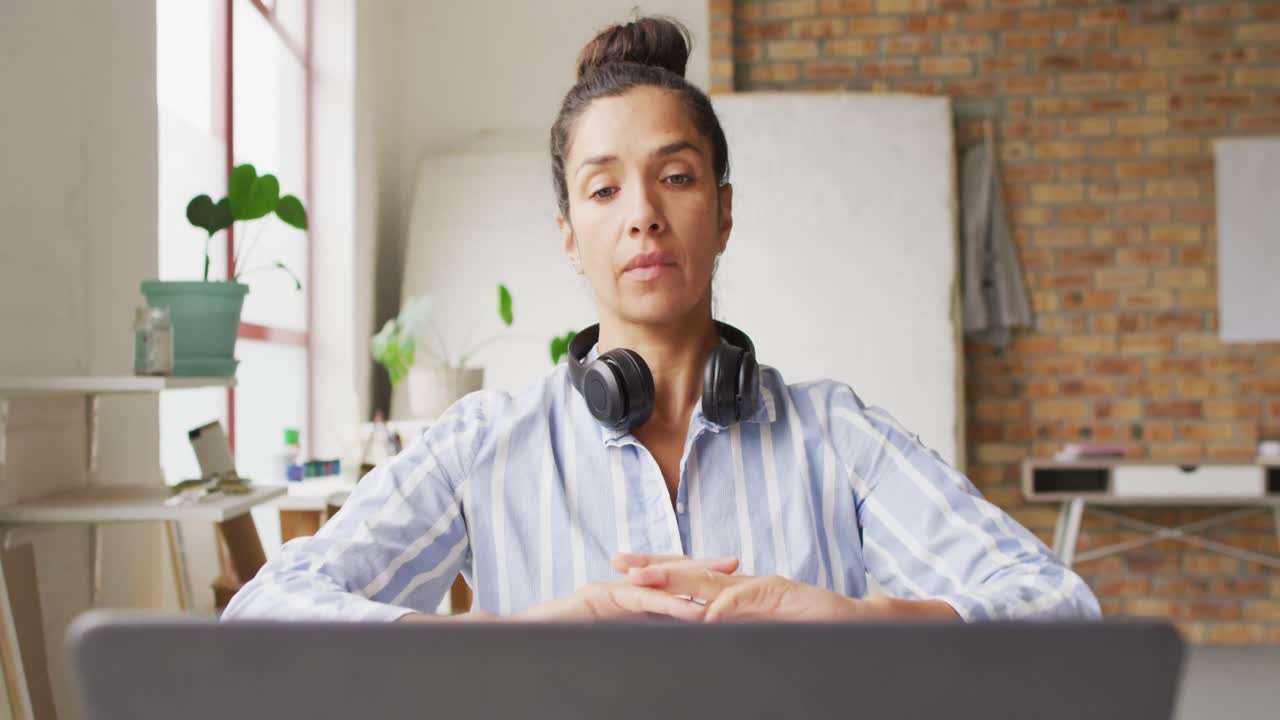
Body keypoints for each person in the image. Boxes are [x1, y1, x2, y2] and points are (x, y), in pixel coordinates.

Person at [223, 16, 1099, 624]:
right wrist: (509, 637)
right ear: (570, 236)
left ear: (723, 211)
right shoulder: (482, 443)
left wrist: (863, 623)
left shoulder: (836, 436)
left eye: (675, 177)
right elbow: (265, 611)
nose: (642, 213)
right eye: (604, 189)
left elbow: (1058, 603)